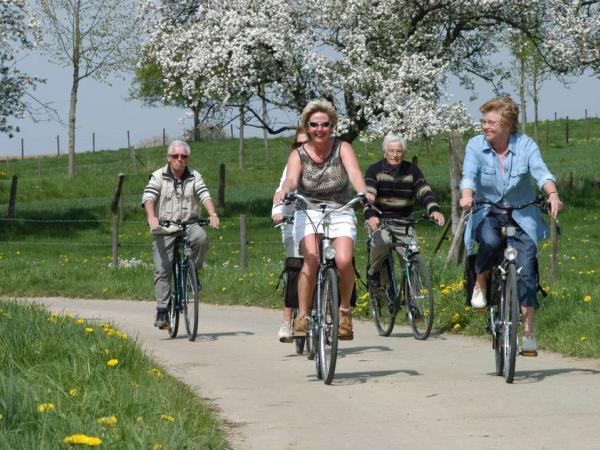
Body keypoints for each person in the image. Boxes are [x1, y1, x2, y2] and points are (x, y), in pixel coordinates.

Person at [459, 97, 562, 356]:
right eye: (484, 122)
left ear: (506, 125)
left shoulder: (525, 145)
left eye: (491, 122)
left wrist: (552, 194)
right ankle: (481, 282)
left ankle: (528, 334)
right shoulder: (475, 145)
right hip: (487, 210)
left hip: (522, 214)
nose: (485, 127)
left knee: (527, 269)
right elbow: (468, 175)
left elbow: (542, 173)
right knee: (491, 243)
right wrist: (467, 195)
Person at [273, 99, 373, 340]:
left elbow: (355, 173)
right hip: (308, 209)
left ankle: (345, 311)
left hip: (340, 207)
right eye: (314, 125)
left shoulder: (343, 148)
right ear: (307, 127)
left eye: (325, 124)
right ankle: (303, 317)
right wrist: (285, 190)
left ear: (332, 126)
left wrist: (364, 192)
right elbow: (291, 179)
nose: (320, 129)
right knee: (312, 258)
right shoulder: (298, 154)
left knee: (344, 260)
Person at [142, 139, 220, 329]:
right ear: (169, 158)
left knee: (201, 238)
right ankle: (162, 311)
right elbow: (149, 197)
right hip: (165, 227)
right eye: (175, 156)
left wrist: (212, 214)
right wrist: (152, 217)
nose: (180, 159)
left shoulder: (194, 176)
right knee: (163, 269)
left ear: (188, 158)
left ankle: (191, 275)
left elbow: (204, 194)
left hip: (188, 223)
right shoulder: (158, 176)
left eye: (183, 156)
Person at [365, 134, 445, 285]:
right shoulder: (374, 170)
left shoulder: (412, 170)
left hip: (404, 222)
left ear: (404, 153)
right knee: (383, 243)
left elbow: (424, 191)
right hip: (381, 220)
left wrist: (433, 209)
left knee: (412, 254)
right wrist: (371, 215)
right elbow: (369, 196)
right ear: (385, 152)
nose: (395, 155)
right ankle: (373, 272)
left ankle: (413, 297)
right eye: (391, 151)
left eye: (399, 151)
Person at [272, 128, 309, 342]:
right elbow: (283, 188)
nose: (302, 147)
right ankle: (287, 320)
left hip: (317, 221)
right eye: (298, 144)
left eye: (307, 143)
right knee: (295, 266)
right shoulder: (291, 165)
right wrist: (278, 211)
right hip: (292, 220)